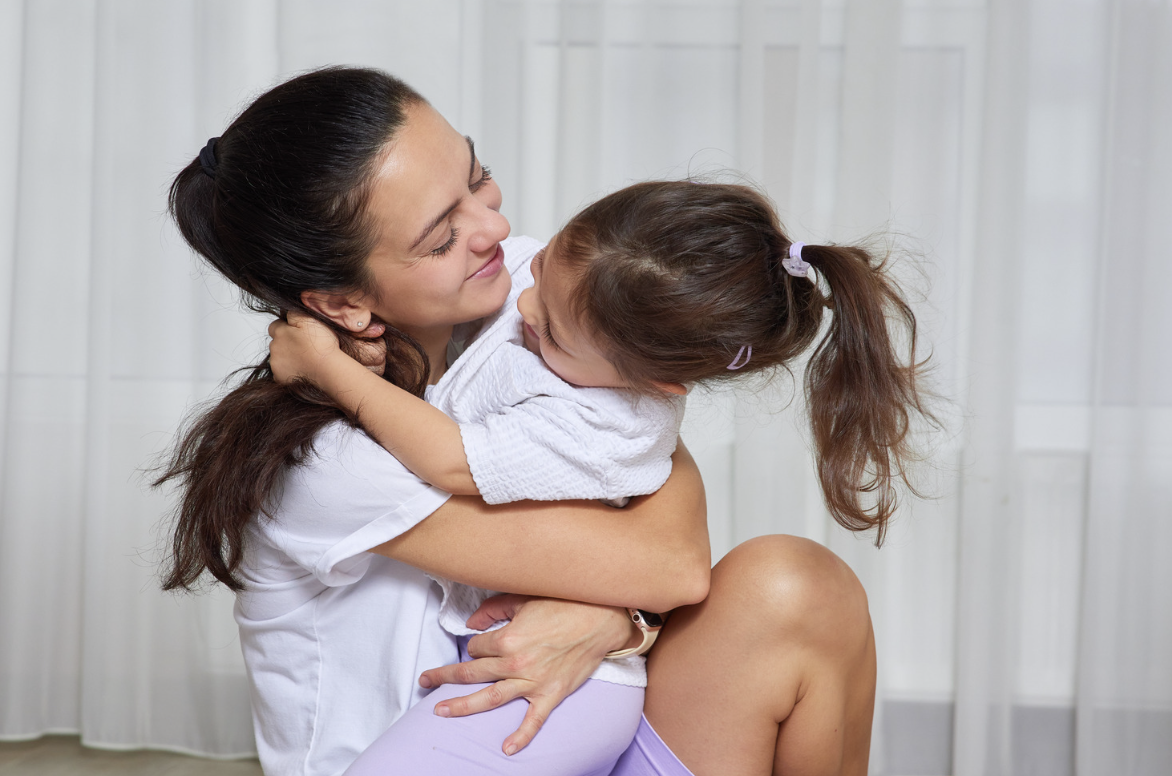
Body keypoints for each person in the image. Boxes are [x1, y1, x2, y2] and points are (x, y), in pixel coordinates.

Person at [160, 66, 918, 776]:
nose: (492, 227)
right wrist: (621, 603)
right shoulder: (318, 457)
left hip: (574, 737)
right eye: (440, 236)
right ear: (340, 304)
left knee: (800, 585)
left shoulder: (528, 295)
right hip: (447, 750)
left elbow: (644, 443)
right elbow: (669, 565)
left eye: (476, 178)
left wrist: (618, 620)